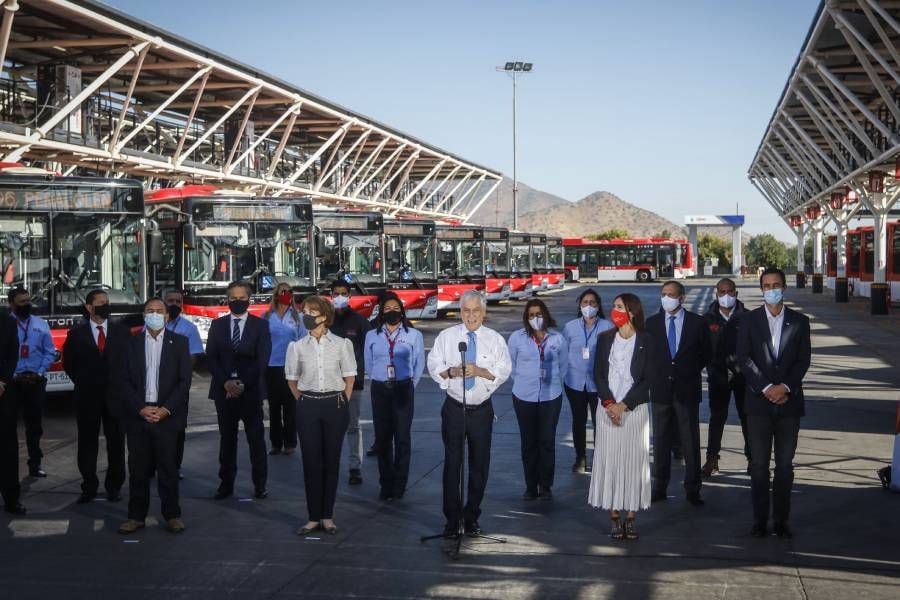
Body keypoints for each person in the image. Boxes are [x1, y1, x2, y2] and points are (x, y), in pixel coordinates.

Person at [427, 290, 511, 537]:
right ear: (460, 312)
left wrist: (480, 371)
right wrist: (452, 372)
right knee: (452, 465)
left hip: (482, 411)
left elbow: (504, 370)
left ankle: (472, 516)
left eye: (476, 311)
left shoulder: (494, 339)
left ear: (484, 313)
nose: (471, 316)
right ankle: (452, 520)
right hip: (454, 408)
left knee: (479, 465)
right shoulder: (446, 337)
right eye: (466, 310)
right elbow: (433, 365)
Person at [737, 268, 810, 539]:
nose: (771, 289)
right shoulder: (748, 320)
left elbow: (803, 361)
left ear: (784, 287)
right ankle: (759, 520)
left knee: (784, 466)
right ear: (761, 289)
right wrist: (767, 388)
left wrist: (785, 387)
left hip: (789, 404)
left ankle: (781, 520)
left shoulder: (800, 322)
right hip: (758, 404)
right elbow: (743, 358)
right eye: (767, 285)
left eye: (776, 284)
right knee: (758, 466)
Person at [116, 298, 192, 535]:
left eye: (160, 311)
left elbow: (184, 381)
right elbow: (123, 381)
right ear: (143, 314)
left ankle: (172, 515)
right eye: (150, 311)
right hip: (139, 414)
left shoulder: (179, 342)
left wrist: (165, 409)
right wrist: (140, 408)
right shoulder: (130, 344)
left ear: (167, 316)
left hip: (166, 415)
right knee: (138, 469)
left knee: (168, 468)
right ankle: (136, 516)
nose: (155, 314)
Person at [286, 296, 357, 536]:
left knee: (331, 461)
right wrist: (305, 400)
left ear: (324, 317)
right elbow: (292, 379)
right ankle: (313, 517)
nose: (306, 315)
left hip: (334, 405)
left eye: (311, 312)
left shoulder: (341, 344)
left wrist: (341, 400)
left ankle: (328, 516)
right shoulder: (297, 346)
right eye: (304, 311)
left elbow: (349, 377)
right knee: (311, 462)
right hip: (308, 405)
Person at [588, 293, 653, 540]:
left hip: (634, 412)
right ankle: (614, 517)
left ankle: (631, 518)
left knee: (634, 462)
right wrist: (609, 404)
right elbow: (599, 375)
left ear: (632, 311)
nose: (614, 310)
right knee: (611, 461)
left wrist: (624, 405)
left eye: (619, 307)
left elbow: (648, 379)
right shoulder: (605, 339)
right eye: (613, 306)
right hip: (607, 411)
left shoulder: (647, 340)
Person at [205, 281, 271, 500]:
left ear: (249, 299)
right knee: (227, 440)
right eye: (233, 297)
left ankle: (260, 484)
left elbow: (262, 360)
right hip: (223, 392)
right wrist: (225, 382)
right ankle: (226, 484)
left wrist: (243, 384)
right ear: (227, 299)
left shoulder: (260, 326)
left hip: (250, 392)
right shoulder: (218, 325)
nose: (237, 301)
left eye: (241, 297)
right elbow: (211, 357)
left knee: (256, 440)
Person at [646, 280, 709, 506]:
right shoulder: (651, 324)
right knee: (661, 440)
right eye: (664, 294)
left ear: (681, 298)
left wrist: (687, 371)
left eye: (671, 294)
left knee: (689, 440)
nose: (667, 298)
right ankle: (659, 486)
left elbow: (705, 354)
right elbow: (649, 357)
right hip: (661, 391)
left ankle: (693, 488)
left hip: (687, 390)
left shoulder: (697, 323)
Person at [62, 289, 128, 504]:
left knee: (116, 443)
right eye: (101, 303)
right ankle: (88, 486)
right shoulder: (76, 334)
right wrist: (85, 382)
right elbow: (69, 365)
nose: (105, 306)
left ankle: (114, 486)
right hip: (87, 397)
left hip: (116, 398)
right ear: (89, 307)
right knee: (87, 443)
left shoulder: (122, 332)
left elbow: (129, 364)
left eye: (107, 302)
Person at [364, 292, 425, 502]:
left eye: (395, 308)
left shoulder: (413, 335)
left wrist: (410, 385)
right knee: (382, 439)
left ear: (402, 310)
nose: (391, 312)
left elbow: (419, 364)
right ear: (381, 312)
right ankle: (385, 484)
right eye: (387, 309)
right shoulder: (372, 335)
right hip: (380, 389)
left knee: (402, 438)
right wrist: (378, 379)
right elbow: (369, 362)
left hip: (403, 388)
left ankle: (399, 485)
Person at [508, 299, 568, 501]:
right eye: (532, 315)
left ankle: (546, 484)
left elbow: (564, 366)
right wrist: (526, 381)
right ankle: (530, 485)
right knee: (528, 443)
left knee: (547, 441)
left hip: (551, 397)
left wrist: (553, 384)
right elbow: (512, 366)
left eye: (539, 314)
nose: (536, 318)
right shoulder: (517, 338)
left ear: (546, 315)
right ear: (526, 318)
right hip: (524, 396)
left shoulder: (557, 339)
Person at [562, 288, 614, 473]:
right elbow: (563, 353)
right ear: (580, 305)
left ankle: (599, 457)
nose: (588, 306)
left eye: (592, 303)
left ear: (598, 306)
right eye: (585, 302)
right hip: (574, 382)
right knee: (578, 421)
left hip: (598, 384)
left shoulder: (607, 327)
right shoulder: (570, 327)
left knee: (600, 422)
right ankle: (580, 457)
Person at [702, 278, 750, 477]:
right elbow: (702, 349)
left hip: (744, 378)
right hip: (718, 377)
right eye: (722, 292)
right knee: (717, 418)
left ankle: (753, 459)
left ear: (736, 293)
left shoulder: (749, 317)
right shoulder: (707, 319)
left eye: (730, 291)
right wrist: (711, 369)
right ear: (716, 294)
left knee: (747, 418)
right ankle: (712, 459)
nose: (726, 296)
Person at [7, 287, 56, 478]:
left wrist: (39, 372)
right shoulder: (6, 324)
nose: (27, 305)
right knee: (8, 425)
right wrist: (11, 376)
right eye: (22, 302)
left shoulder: (41, 324)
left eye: (28, 301)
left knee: (34, 426)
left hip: (35, 381)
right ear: (12, 304)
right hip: (13, 382)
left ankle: (35, 464)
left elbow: (49, 351)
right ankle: (8, 468)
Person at [328, 279, 371, 485]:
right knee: (329, 427)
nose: (339, 297)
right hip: (327, 383)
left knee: (353, 426)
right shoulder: (325, 320)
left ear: (349, 296)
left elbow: (366, 352)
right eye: (336, 293)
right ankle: (329, 465)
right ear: (330, 295)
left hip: (352, 383)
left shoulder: (360, 321)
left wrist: (358, 378)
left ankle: (355, 467)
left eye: (343, 293)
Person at [162, 289, 204, 479]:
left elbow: (193, 356)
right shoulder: (151, 325)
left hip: (178, 385)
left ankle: (174, 466)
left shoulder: (189, 328)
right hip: (154, 386)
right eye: (170, 301)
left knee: (177, 428)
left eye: (178, 301)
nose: (174, 305)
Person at [262, 283, 306, 456]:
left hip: (291, 367)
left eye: (290, 291)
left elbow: (303, 342)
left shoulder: (298, 317)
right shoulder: (266, 317)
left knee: (290, 407)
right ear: (276, 294)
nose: (287, 294)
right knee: (273, 407)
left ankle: (290, 443)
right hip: (271, 367)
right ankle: (275, 443)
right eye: (283, 291)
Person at [0, 312, 23, 514]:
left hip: (3, 393)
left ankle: (11, 499)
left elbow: (11, 354)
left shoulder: (6, 321)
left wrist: (3, 381)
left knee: (7, 448)